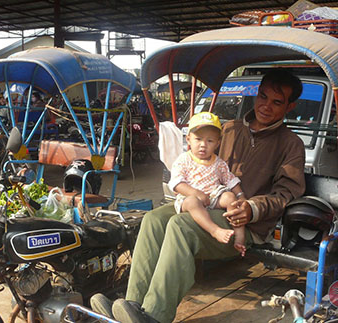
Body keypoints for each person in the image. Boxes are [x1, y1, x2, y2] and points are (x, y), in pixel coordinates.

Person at [90, 69, 306, 323]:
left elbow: (287, 192)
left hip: (245, 224)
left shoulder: (291, 144)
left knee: (181, 226)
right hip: (208, 203)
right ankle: (132, 305)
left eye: (277, 102)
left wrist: (252, 207)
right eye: (263, 96)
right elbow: (201, 161)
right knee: (153, 220)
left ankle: (155, 316)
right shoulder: (230, 129)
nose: (265, 106)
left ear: (290, 106)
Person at [169, 111, 246, 256]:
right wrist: (196, 193)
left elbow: (230, 180)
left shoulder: (219, 163)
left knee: (230, 198)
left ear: (217, 144)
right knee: (192, 202)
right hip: (189, 198)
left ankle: (240, 235)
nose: (203, 145)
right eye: (198, 139)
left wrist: (240, 195)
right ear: (189, 139)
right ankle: (214, 230)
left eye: (210, 141)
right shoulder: (184, 160)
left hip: (213, 196)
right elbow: (177, 183)